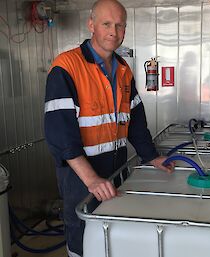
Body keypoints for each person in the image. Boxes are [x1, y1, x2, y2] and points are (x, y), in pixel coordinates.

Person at [44, 0, 174, 256]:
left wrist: (152, 156)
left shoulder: (123, 69)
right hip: (81, 174)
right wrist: (91, 179)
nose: (114, 32)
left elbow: (135, 120)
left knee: (111, 232)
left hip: (116, 167)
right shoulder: (67, 67)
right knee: (82, 233)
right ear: (91, 24)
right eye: (106, 24)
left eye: (120, 25)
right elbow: (59, 133)